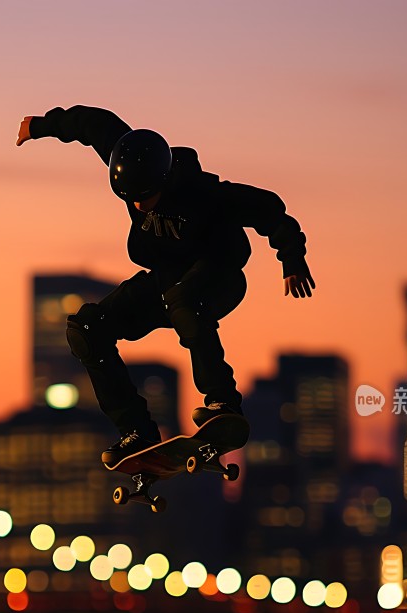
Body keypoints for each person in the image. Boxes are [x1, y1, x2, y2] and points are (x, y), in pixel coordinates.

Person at [16, 105, 314, 466]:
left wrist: (292, 259)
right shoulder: (128, 158)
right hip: (167, 281)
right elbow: (92, 124)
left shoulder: (205, 194)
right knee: (87, 327)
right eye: (131, 199)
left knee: (183, 299)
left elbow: (270, 211)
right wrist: (42, 126)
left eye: (145, 196)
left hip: (219, 279)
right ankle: (136, 432)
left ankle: (223, 402)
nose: (139, 205)